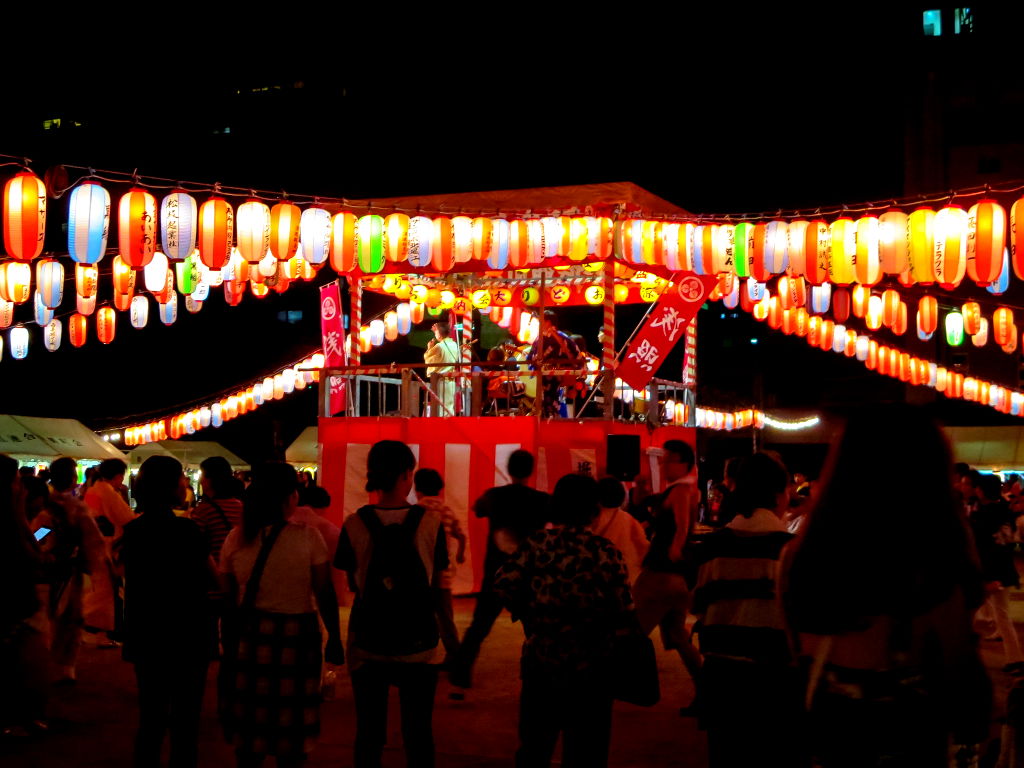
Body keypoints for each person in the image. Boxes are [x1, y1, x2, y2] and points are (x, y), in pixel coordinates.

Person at [785, 405, 990, 766]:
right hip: (908, 741)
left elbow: (797, 654)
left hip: (829, 737)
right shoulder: (932, 564)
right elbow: (960, 678)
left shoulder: (800, 557)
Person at [494, 473, 636, 768]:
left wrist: (530, 615)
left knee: (535, 748)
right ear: (594, 510)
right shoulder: (605, 552)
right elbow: (623, 609)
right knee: (587, 752)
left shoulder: (537, 544)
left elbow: (505, 585)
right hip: (592, 667)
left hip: (542, 661)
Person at [219, 463, 343, 768]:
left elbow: (227, 597)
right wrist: (335, 639)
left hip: (251, 636)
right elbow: (324, 592)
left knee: (252, 727)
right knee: (292, 731)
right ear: (291, 497)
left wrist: (227, 642)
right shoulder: (308, 538)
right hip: (298, 637)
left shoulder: (236, 537)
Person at [334, 440, 448, 768]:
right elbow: (437, 584)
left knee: (369, 733)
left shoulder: (354, 523)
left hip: (369, 644)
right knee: (419, 733)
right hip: (420, 646)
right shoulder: (430, 522)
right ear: (405, 475)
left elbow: (354, 581)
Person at [690, 452, 804, 767]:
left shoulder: (713, 546)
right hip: (777, 680)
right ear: (780, 495)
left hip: (722, 676)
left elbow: (699, 606)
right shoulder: (790, 550)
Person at [120, 455, 215, 768]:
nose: (186, 485)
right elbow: (209, 575)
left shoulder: (133, 531)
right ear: (172, 487)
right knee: (186, 719)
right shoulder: (186, 531)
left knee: (152, 716)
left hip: (147, 632)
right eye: (182, 480)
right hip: (187, 633)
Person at [448, 449, 550, 693]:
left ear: (509, 469)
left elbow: (478, 509)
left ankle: (460, 673)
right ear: (531, 470)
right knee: (536, 630)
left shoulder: (494, 497)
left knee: (479, 626)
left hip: (497, 572)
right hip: (529, 574)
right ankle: (541, 678)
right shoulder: (542, 500)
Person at [630, 439, 703, 712]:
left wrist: (675, 546)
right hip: (675, 578)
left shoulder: (682, 491)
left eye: (670, 458)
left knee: (631, 630)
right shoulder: (673, 490)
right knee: (678, 636)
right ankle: (706, 690)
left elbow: (683, 525)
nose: (665, 463)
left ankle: (613, 687)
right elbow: (642, 506)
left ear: (684, 463)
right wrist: (641, 486)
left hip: (662, 574)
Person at [34, 457, 107, 684]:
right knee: (71, 618)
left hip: (50, 568)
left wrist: (41, 549)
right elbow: (93, 539)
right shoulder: (77, 507)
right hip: (70, 569)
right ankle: (66, 666)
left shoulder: (46, 506)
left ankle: (49, 662)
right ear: (73, 478)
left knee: (49, 617)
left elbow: (37, 534)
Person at [0, 455, 49, 737]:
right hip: (15, 606)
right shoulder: (17, 524)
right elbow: (32, 554)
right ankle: (19, 717)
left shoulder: (26, 521)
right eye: (17, 481)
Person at [971, 472, 1024, 671]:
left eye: (977, 487)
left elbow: (988, 548)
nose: (976, 489)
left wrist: (990, 577)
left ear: (982, 490)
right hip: (1004, 569)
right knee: (998, 612)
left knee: (999, 614)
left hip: (994, 571)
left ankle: (1015, 658)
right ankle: (1013, 656)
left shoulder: (985, 515)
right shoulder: (1005, 510)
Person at [414, 468, 467, 660]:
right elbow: (460, 535)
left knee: (418, 616)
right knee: (446, 618)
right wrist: (460, 554)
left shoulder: (416, 510)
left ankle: (420, 654)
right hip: (443, 574)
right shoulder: (446, 509)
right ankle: (455, 655)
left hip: (421, 575)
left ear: (416, 488)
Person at [83, 457, 134, 640]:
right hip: (108, 546)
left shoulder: (92, 491)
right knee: (109, 593)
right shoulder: (108, 493)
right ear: (119, 475)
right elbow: (127, 519)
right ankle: (107, 631)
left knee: (99, 591)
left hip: (94, 544)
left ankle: (97, 628)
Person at [589, 477, 649, 584]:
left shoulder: (592, 519)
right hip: (628, 576)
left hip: (599, 577)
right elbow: (643, 549)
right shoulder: (630, 520)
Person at [191, 456, 245, 562]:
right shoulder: (241, 507)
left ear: (210, 480)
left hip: (215, 570)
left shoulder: (203, 511)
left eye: (202, 475)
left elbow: (196, 548)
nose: (200, 481)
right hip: (237, 567)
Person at [528, 310, 581, 417]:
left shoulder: (545, 338)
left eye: (541, 321)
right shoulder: (562, 337)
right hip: (554, 375)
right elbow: (577, 354)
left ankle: (549, 419)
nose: (540, 324)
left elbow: (531, 357)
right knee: (548, 400)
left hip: (552, 375)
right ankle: (551, 418)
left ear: (548, 322)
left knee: (548, 400)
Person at [423, 320, 460, 417]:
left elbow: (428, 359)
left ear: (439, 333)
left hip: (440, 381)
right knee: (449, 406)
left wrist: (429, 347)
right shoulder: (454, 345)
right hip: (451, 380)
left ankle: (440, 428)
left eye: (436, 332)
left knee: (440, 406)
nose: (435, 334)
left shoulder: (439, 346)